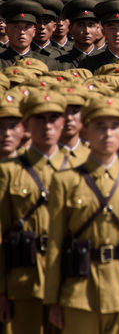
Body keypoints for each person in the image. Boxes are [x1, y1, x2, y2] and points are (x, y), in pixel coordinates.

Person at [43, 95, 119, 333]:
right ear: (85, 131)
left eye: (115, 126)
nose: (108, 134)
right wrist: (52, 299)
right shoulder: (65, 181)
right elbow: (54, 244)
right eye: (100, 126)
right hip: (79, 292)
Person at [0, 90, 69, 334]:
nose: (47, 126)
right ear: (27, 125)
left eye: (53, 118)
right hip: (24, 277)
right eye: (39, 119)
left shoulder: (76, 168)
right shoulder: (9, 171)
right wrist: (2, 290)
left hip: (68, 277)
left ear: (63, 122)